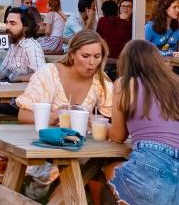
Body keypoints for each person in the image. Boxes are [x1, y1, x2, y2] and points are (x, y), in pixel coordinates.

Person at [106, 39, 179, 205]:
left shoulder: (125, 84)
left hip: (149, 169)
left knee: (111, 169)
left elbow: (118, 136)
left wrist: (102, 127)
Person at [17, 30, 113, 199]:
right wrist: (52, 119)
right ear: (72, 54)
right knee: (90, 163)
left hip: (79, 147)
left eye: (97, 56)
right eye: (86, 56)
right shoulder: (49, 73)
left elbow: (110, 117)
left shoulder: (100, 81)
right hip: (45, 143)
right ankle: (44, 180)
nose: (92, 63)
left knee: (97, 159)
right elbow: (23, 115)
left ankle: (52, 189)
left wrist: (92, 120)